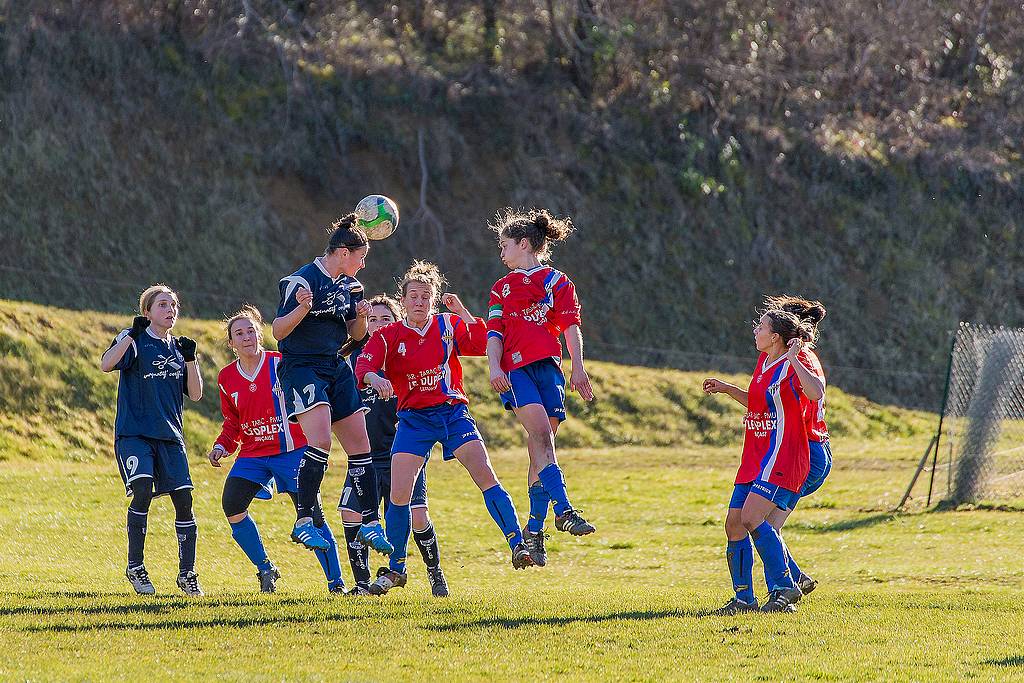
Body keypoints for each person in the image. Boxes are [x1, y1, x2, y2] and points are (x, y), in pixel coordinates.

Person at [355, 261, 534, 595]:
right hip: (413, 420)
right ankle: (396, 569)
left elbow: (483, 342)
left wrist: (463, 311)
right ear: (403, 300)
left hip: (452, 414)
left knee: (485, 476)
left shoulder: (448, 325)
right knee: (399, 493)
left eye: (426, 296)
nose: (420, 301)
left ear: (434, 299)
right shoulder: (388, 335)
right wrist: (375, 376)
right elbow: (364, 362)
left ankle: (517, 543)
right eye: (413, 296)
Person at [272, 214, 390, 556]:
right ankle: (304, 521)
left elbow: (356, 335)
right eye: (360, 256)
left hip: (335, 365)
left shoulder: (352, 287)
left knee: (360, 445)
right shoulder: (299, 281)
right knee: (321, 439)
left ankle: (369, 522)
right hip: (301, 367)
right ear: (342, 252)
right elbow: (278, 331)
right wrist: (302, 309)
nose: (363, 264)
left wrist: (363, 316)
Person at [485, 208, 596, 567]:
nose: (501, 254)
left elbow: (570, 326)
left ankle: (534, 530)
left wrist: (578, 366)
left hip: (550, 369)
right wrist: (493, 366)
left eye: (505, 246)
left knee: (540, 449)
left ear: (523, 243)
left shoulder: (557, 282)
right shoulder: (501, 287)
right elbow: (494, 333)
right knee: (542, 439)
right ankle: (563, 510)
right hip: (516, 372)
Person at [208, 305, 345, 593]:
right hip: (253, 455)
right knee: (232, 505)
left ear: (260, 333)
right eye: (239, 333)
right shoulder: (226, 378)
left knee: (312, 515)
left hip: (293, 451)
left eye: (250, 331)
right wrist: (222, 445)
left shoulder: (282, 364)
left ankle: (337, 584)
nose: (246, 337)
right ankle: (265, 568)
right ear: (231, 343)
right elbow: (232, 422)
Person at [703, 308, 825, 614]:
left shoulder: (793, 363)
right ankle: (744, 599)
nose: (755, 330)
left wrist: (796, 359)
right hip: (756, 453)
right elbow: (759, 401)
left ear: (775, 337)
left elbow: (816, 392)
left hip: (783, 453)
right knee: (734, 524)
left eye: (761, 326)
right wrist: (727, 389)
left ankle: (784, 587)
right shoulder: (764, 360)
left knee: (753, 518)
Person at [338, 294, 448, 597]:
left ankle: (434, 570)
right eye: (372, 319)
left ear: (396, 321)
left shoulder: (405, 355)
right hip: (365, 457)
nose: (378, 324)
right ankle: (361, 583)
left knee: (417, 515)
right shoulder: (356, 360)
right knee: (350, 514)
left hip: (402, 452)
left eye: (385, 319)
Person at [100, 284, 204, 596]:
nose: (170, 309)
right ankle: (136, 567)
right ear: (147, 312)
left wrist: (191, 359)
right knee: (142, 489)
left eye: (173, 304)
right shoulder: (133, 339)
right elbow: (106, 364)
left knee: (184, 501)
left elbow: (196, 394)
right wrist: (131, 334)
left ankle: (187, 574)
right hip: (135, 435)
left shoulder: (178, 347)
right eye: (162, 304)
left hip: (170, 437)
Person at [761, 295, 831, 596]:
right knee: (763, 522)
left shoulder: (799, 358)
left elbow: (814, 393)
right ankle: (796, 579)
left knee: (762, 523)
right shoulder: (792, 357)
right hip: (805, 449)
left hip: (808, 450)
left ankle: (787, 586)